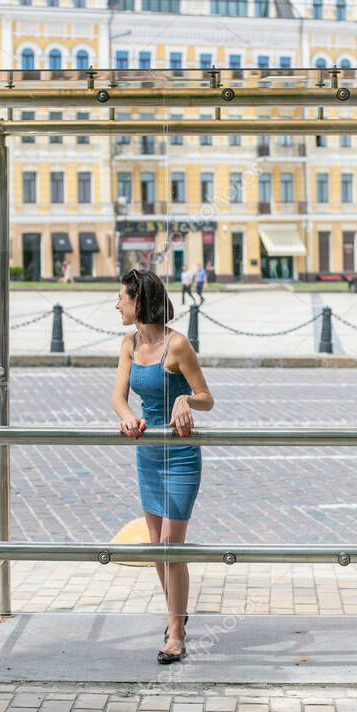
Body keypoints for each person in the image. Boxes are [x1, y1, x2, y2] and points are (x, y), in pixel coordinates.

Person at [112, 268, 214, 665]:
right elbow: (119, 398)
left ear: (140, 301)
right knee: (158, 550)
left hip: (181, 457)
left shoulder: (178, 345)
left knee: (172, 549)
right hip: (148, 453)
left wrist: (187, 401)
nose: (117, 304)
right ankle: (177, 616)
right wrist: (125, 417)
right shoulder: (128, 344)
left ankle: (175, 632)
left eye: (122, 297)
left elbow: (207, 396)